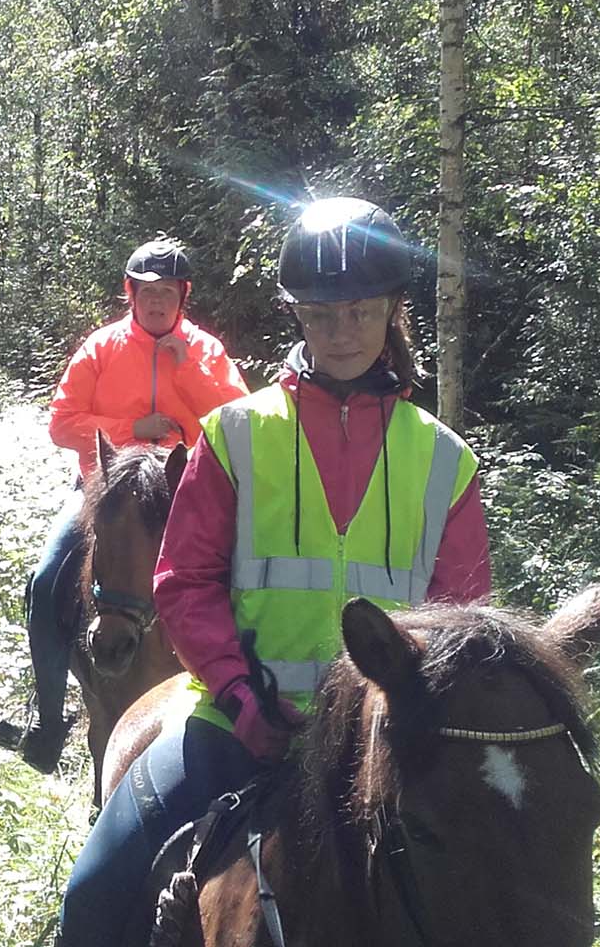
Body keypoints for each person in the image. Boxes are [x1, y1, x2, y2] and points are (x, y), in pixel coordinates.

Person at [54, 198, 494, 947]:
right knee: (93, 897)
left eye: (360, 311)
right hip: (235, 725)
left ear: (392, 309)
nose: (343, 332)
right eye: (322, 316)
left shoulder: (446, 459)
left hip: (385, 743)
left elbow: (464, 618)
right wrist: (242, 696)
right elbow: (184, 583)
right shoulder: (237, 435)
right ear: (297, 316)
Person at [0, 239, 249, 773]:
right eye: (147, 292)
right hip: (106, 493)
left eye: (167, 294)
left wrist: (189, 375)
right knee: (45, 581)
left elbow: (239, 426)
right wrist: (132, 431)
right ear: (130, 294)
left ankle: (248, 708)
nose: (157, 303)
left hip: (188, 493)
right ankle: (48, 718)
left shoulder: (205, 352)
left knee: (252, 576)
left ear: (183, 296)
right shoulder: (101, 348)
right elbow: (62, 423)